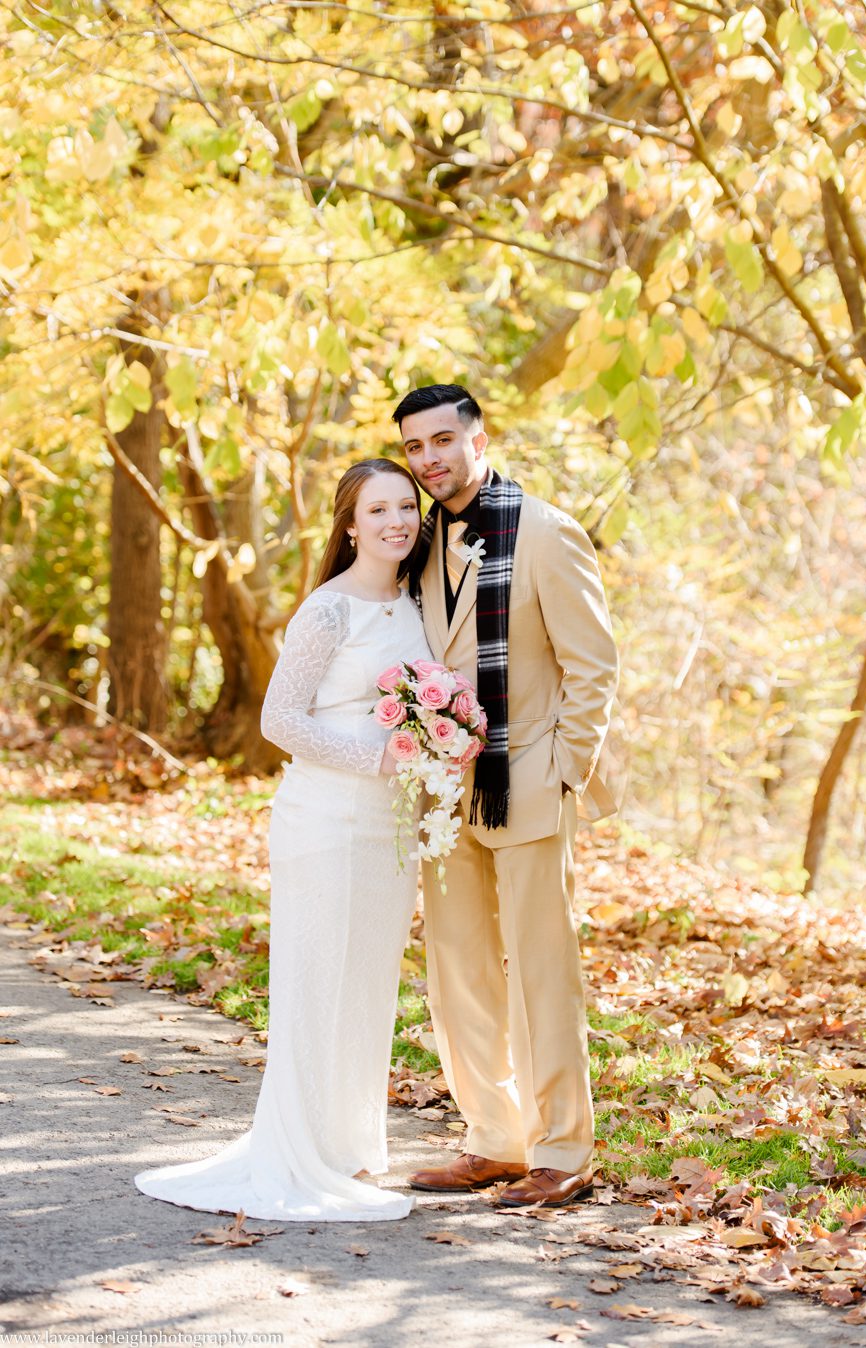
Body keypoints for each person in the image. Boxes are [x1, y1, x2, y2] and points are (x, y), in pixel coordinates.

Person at [134, 459, 434, 1222]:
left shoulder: (419, 603)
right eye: (378, 510)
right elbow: (279, 721)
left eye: (406, 506)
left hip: (391, 826)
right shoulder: (326, 611)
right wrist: (373, 759)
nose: (396, 521)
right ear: (350, 525)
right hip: (324, 819)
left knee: (367, 983)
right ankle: (299, 1150)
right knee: (317, 979)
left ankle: (347, 1145)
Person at [396, 385, 619, 1209]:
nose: (429, 459)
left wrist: (563, 770)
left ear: (478, 440)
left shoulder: (547, 533)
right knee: (457, 970)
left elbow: (594, 665)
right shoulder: (419, 544)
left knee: (539, 971)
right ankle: (494, 1138)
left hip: (527, 776)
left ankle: (561, 1149)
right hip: (443, 787)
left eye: (442, 441)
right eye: (414, 447)